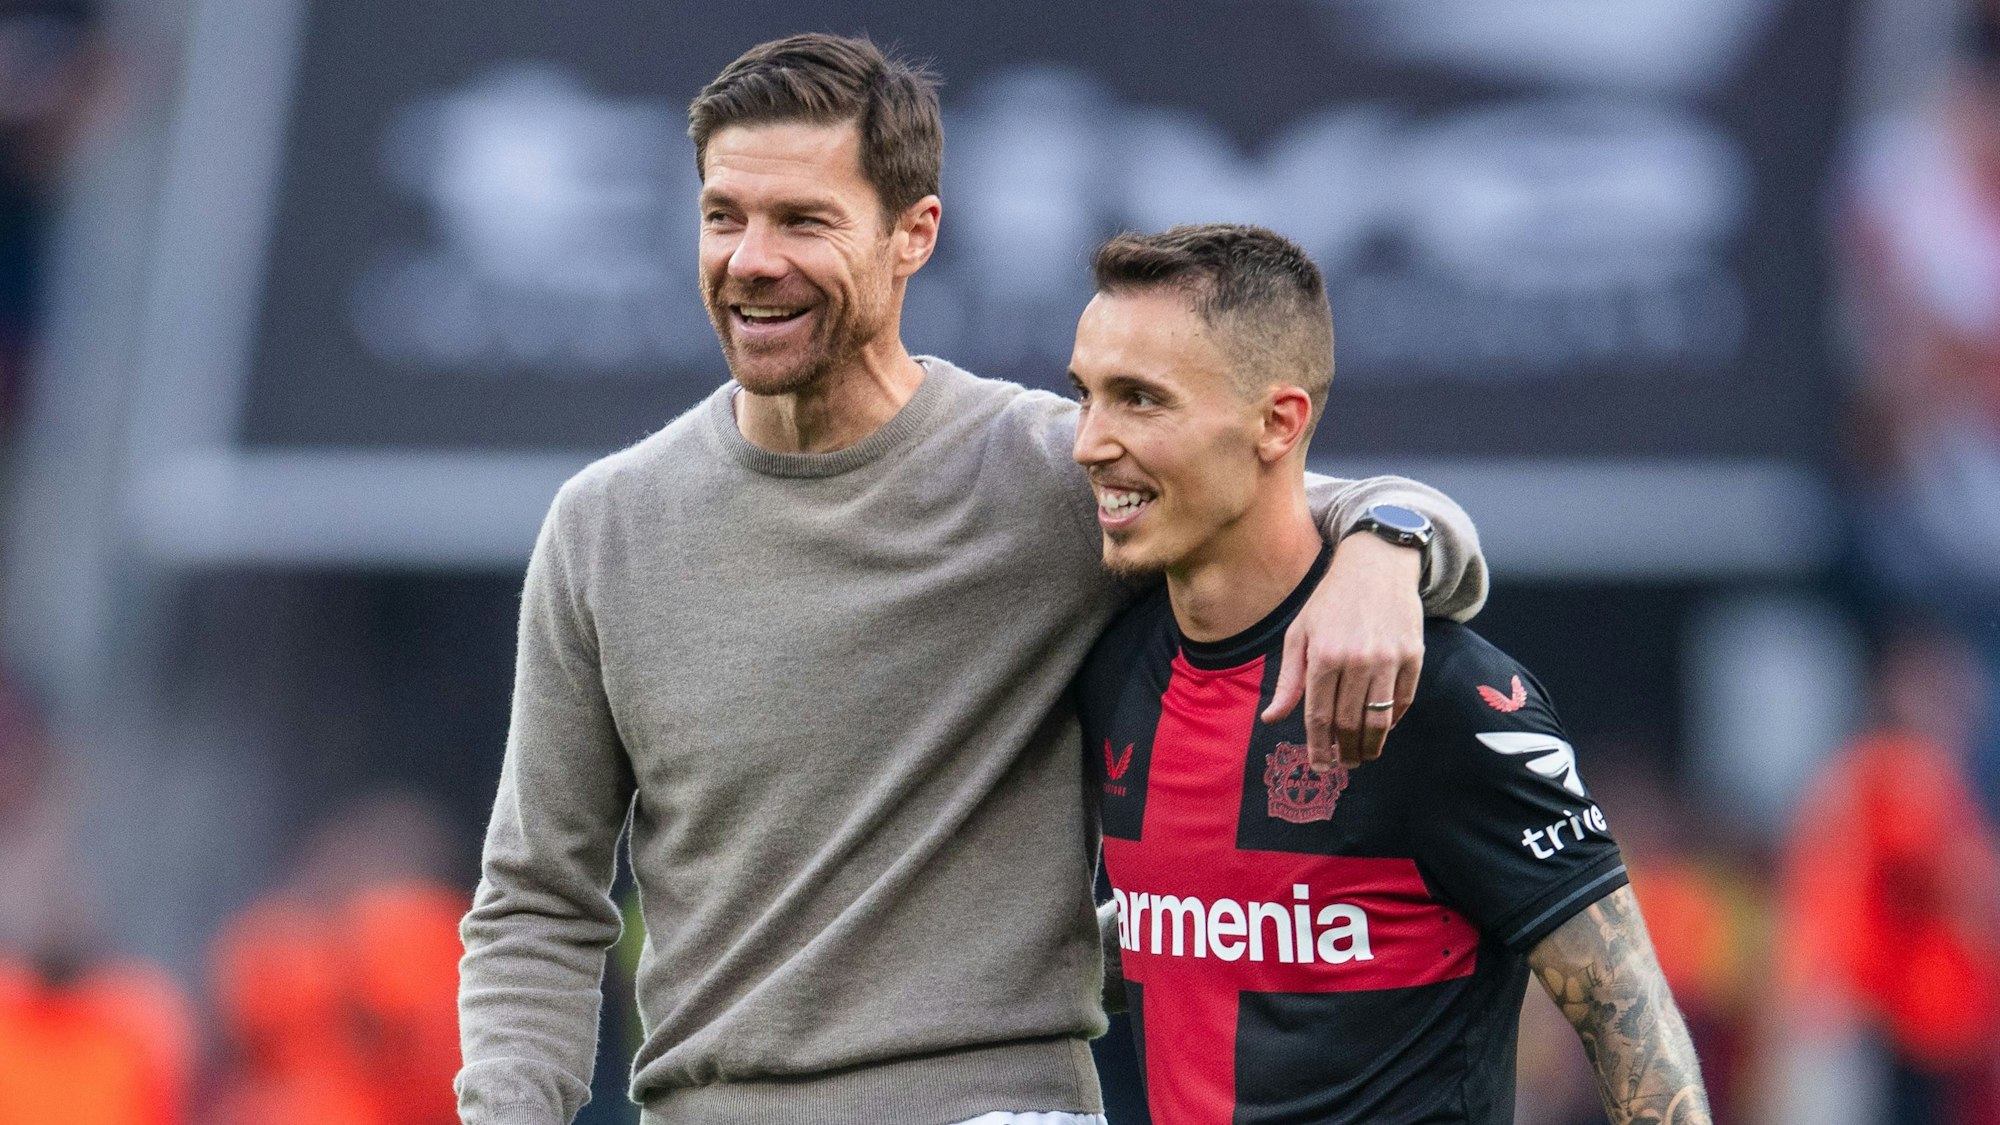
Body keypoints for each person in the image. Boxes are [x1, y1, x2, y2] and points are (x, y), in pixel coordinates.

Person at [456, 33, 1490, 1125]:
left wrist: (1382, 546)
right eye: (724, 216)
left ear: (914, 235)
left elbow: (1329, 497)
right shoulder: (605, 524)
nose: (750, 259)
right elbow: (538, 901)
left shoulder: (1048, 473)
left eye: (802, 221)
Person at [1069, 224, 1708, 1124]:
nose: (1089, 442)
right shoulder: (1117, 665)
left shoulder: (1443, 695)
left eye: (1139, 400)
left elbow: (1624, 1009)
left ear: (1278, 422)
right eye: (1084, 396)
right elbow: (1182, 933)